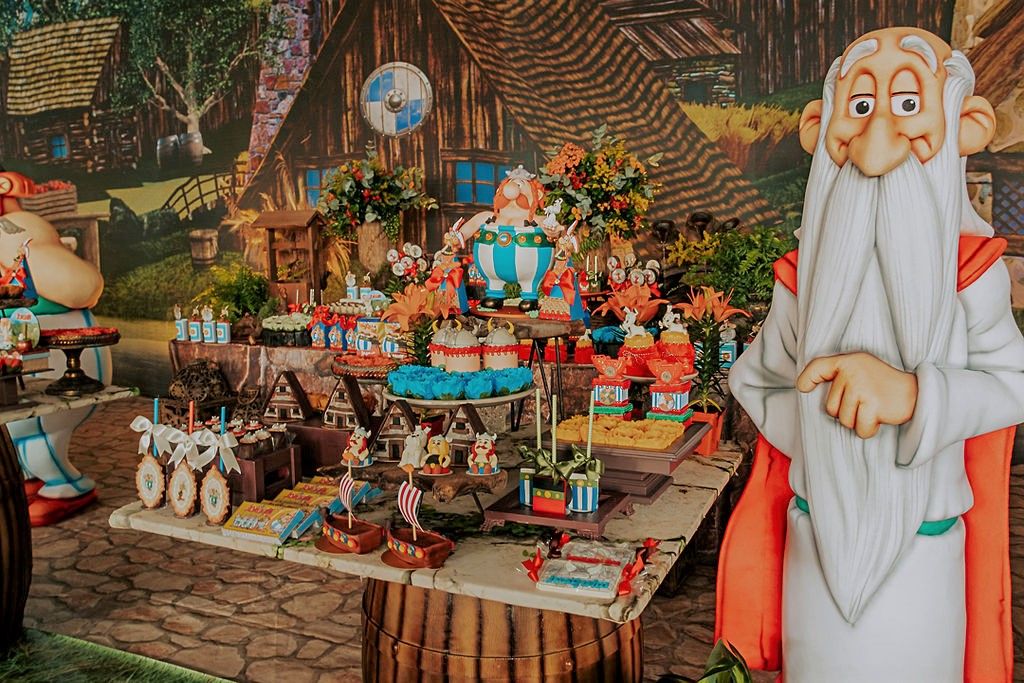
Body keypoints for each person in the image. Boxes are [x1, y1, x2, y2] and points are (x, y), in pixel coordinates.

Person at [716, 28, 1024, 682]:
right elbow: (759, 379)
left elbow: (1014, 381)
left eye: (908, 104)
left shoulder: (973, 274)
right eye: (859, 106)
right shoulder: (802, 278)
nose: (878, 134)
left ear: (967, 125)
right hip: (815, 542)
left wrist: (913, 396)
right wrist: (825, 432)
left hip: (926, 555)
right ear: (818, 128)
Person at [0, 170, 108, 526]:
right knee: (15, 433)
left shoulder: (14, 230)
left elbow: (82, 285)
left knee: (34, 430)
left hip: (61, 350)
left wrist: (14, 248)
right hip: (18, 355)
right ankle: (30, 477)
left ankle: (67, 485)